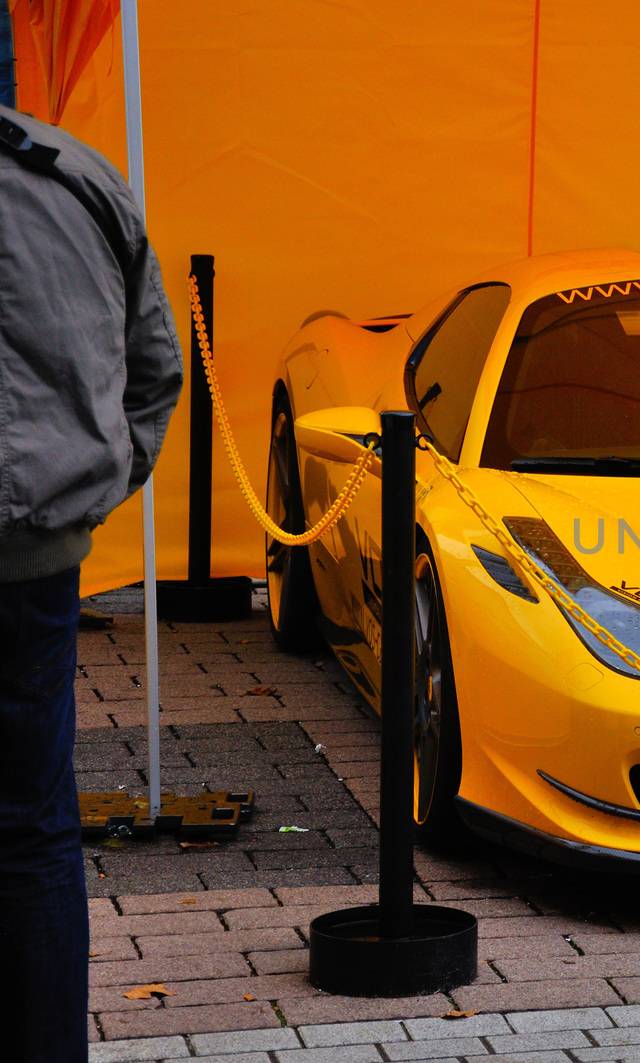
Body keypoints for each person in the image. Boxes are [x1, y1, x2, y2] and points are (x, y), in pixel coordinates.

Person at [0, 103, 183, 1062]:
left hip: (39, 548)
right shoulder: (78, 176)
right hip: (35, 561)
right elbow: (156, 373)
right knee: (31, 831)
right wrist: (84, 503)